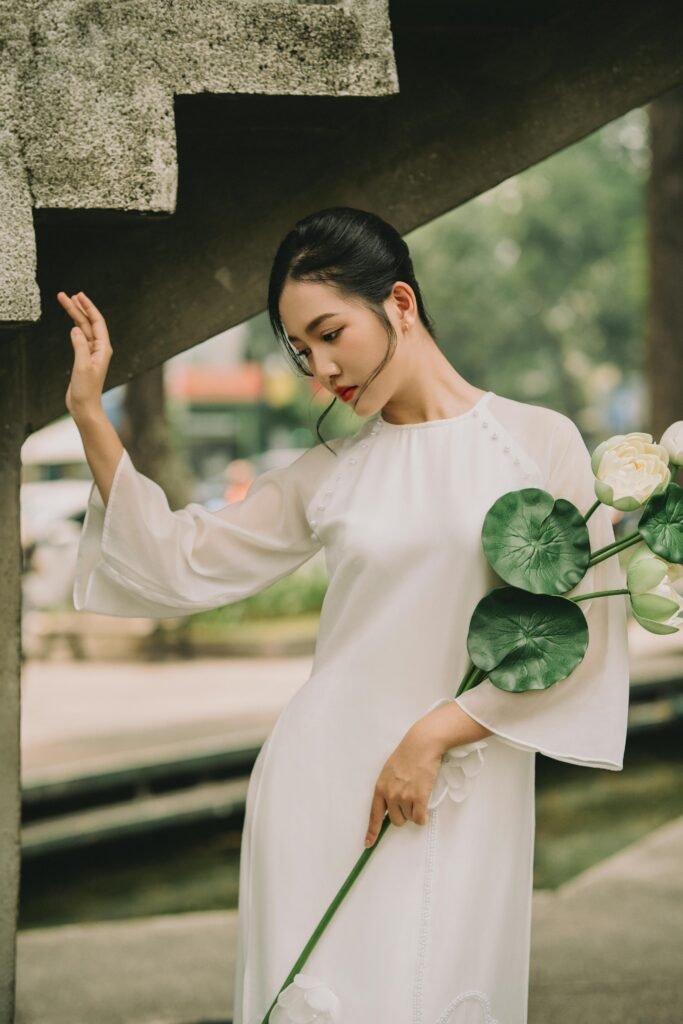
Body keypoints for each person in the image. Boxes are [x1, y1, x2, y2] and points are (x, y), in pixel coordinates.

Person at [59, 206, 630, 1024]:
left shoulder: (537, 443)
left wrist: (435, 734)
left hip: (464, 785)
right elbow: (177, 561)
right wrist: (90, 414)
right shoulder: (331, 471)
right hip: (321, 789)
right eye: (300, 352)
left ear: (398, 302)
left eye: (330, 333)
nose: (320, 371)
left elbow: (581, 636)